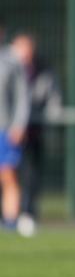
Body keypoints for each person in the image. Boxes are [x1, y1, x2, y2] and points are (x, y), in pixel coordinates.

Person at [10, 32, 62, 236]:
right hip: (8, 133)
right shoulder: (8, 69)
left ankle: (27, 214)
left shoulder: (44, 70)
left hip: (32, 133)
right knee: (8, 175)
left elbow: (53, 99)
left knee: (31, 175)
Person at [0, 37, 29, 232]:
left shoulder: (11, 61)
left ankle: (10, 224)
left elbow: (22, 96)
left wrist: (19, 124)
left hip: (5, 129)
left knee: (8, 176)